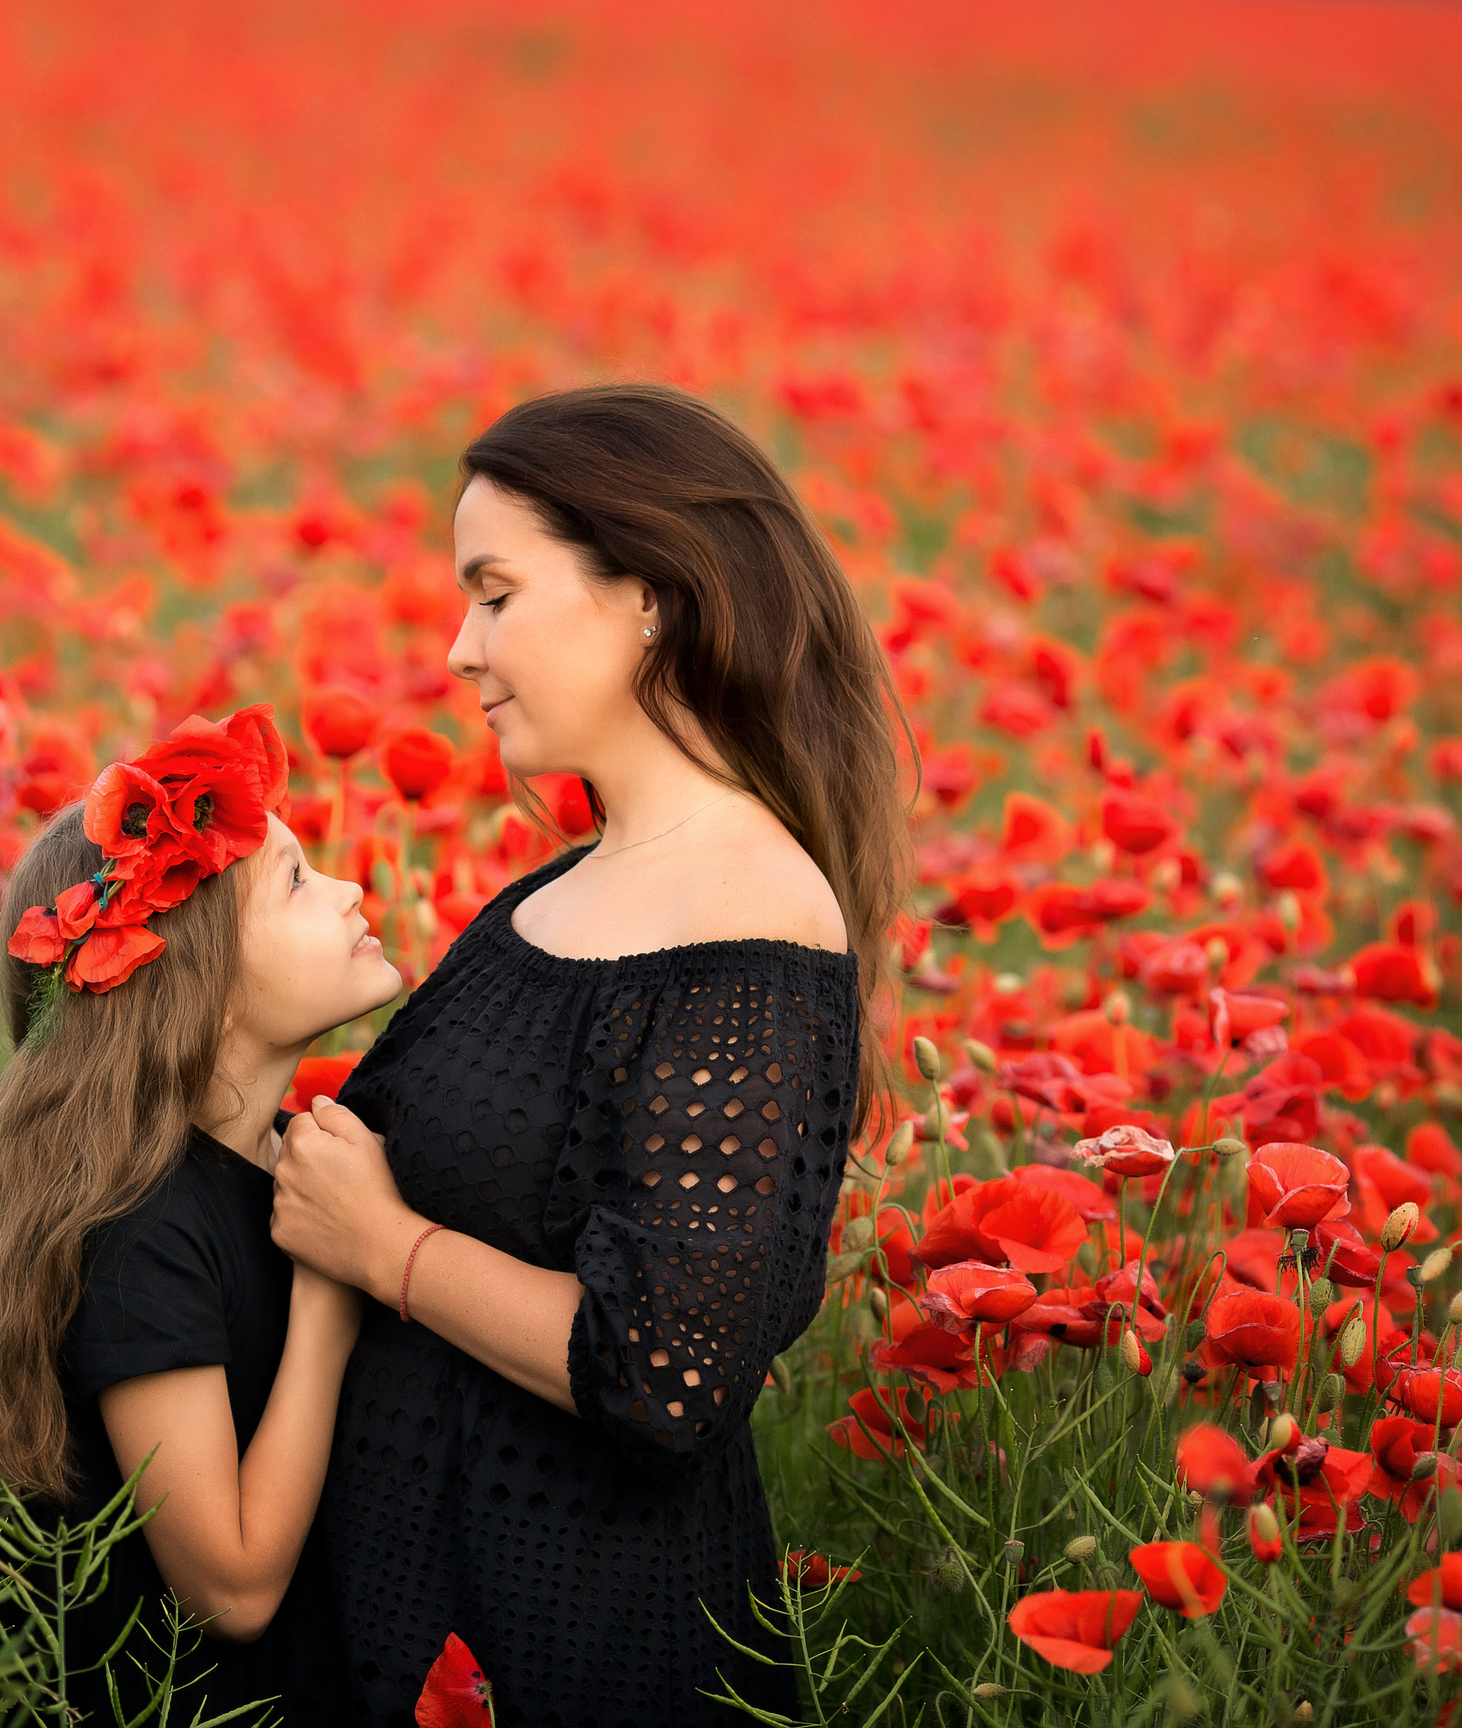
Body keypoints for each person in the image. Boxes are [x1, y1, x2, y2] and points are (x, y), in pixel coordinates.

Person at [268, 382, 917, 1724]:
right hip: (407, 1611)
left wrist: (384, 1251)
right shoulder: (557, 894)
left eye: (496, 595)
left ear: (653, 598)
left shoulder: (751, 931)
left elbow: (666, 1370)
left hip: (579, 1640)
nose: (458, 648)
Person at [0, 703, 400, 1726]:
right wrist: (330, 1299)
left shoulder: (289, 1158)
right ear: (205, 992)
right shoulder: (139, 1231)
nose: (349, 889)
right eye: (294, 880)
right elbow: (231, 1590)